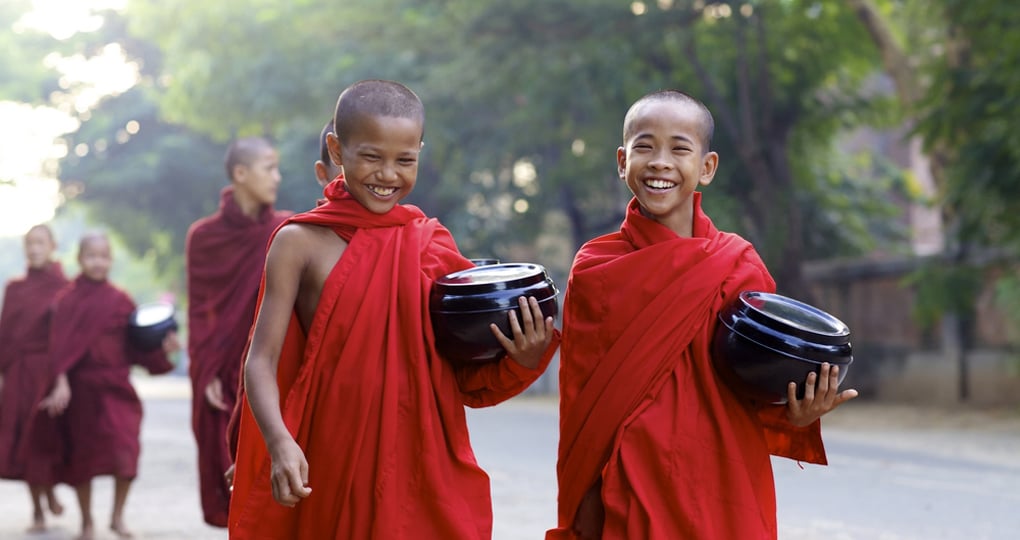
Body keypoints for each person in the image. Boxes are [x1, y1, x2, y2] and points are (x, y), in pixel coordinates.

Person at [228, 79, 559, 539]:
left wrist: (523, 358)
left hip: (420, 461)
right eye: (371, 157)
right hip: (331, 455)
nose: (388, 175)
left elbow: (462, 373)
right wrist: (279, 441)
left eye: (405, 160)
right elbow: (260, 361)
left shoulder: (429, 244)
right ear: (337, 150)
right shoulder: (298, 242)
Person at [546, 90, 858, 540]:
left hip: (720, 480)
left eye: (679, 148)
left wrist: (799, 413)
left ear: (706, 168)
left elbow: (760, 387)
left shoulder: (738, 265)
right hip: (629, 483)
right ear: (621, 161)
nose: (659, 161)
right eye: (644, 146)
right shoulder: (598, 267)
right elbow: (583, 403)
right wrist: (586, 503)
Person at [34, 232, 180, 539]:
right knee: (82, 459)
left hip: (116, 388)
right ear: (79, 259)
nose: (97, 263)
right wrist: (59, 382)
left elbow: (137, 346)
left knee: (125, 451)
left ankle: (117, 517)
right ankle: (87, 522)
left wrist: (163, 351)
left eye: (103, 257)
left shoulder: (120, 299)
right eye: (91, 256)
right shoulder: (67, 300)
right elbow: (57, 346)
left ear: (110, 260)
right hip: (82, 391)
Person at [223, 120, 341, 487]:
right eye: (268, 168)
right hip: (249, 361)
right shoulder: (298, 237)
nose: (276, 177)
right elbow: (208, 312)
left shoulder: (421, 242)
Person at [185, 136, 291, 527]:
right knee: (228, 466)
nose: (277, 177)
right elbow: (201, 309)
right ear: (241, 173)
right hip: (223, 367)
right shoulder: (204, 236)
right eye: (269, 168)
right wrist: (207, 369)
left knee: (277, 466)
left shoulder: (287, 229)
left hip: (274, 362)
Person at [0, 224, 68, 532]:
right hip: (17, 373)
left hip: (49, 371)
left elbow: (67, 336)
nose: (34, 248)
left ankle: (50, 489)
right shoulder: (14, 287)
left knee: (45, 436)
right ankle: (37, 509)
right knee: (23, 439)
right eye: (29, 243)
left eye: (40, 243)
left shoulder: (64, 286)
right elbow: (5, 333)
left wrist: (62, 377)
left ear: (52, 246)